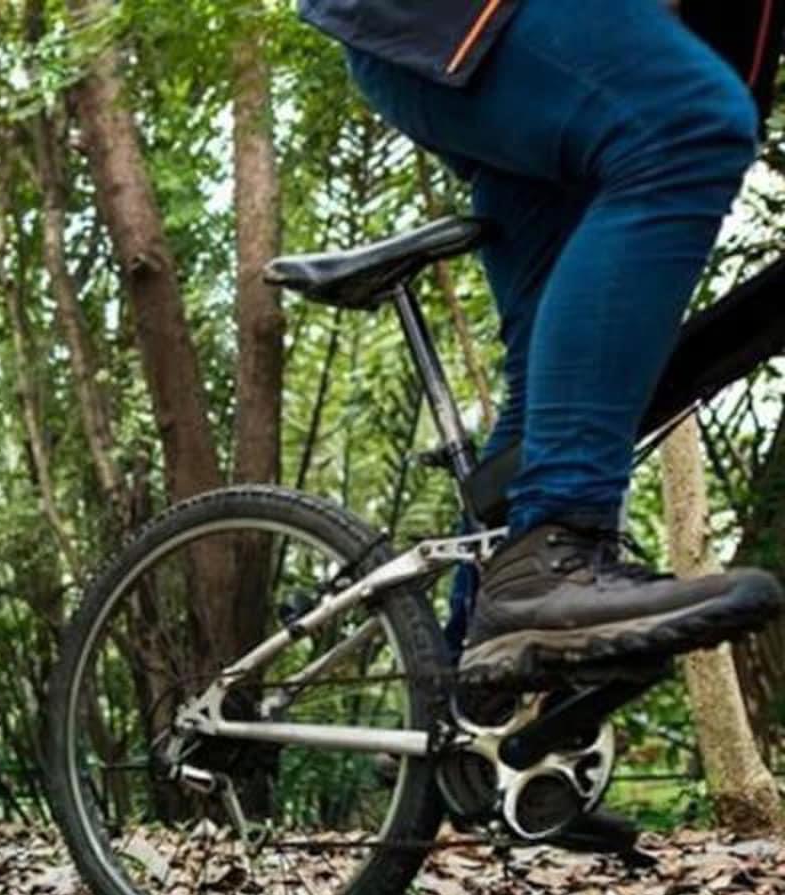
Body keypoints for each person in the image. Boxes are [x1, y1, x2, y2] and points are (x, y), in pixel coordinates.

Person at [298, 0, 782, 687]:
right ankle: (552, 548)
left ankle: (469, 694)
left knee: (549, 402)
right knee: (688, 127)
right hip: (467, 21)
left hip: (518, 42)